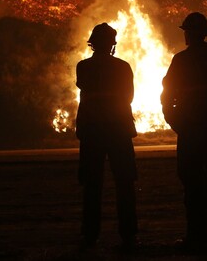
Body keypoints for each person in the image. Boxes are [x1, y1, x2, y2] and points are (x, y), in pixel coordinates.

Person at [161, 12, 207, 254]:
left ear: (190, 35)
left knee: (192, 184)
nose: (186, 36)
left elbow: (167, 95)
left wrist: (176, 122)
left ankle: (197, 237)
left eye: (187, 32)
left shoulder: (181, 61)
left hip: (191, 131)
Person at [75, 22, 138, 251]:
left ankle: (90, 235)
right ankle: (128, 235)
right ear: (112, 44)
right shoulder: (123, 67)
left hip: (92, 131)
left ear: (93, 43)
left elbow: (83, 86)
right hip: (119, 130)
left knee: (92, 184)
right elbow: (128, 96)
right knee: (125, 183)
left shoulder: (83, 67)